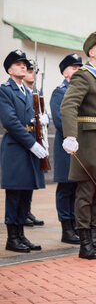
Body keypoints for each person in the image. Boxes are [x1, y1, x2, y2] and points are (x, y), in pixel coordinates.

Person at [60, 30, 96, 259]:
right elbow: (68, 106)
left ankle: (94, 239)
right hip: (88, 141)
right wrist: (70, 136)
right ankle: (85, 243)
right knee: (86, 193)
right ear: (91, 51)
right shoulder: (84, 75)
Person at [0, 49, 46, 253]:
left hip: (27, 148)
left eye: (24, 64)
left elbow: (31, 118)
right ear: (9, 69)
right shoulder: (5, 90)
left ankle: (21, 235)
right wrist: (31, 143)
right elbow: (11, 121)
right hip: (16, 148)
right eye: (18, 64)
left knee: (26, 194)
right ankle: (12, 238)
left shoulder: (27, 92)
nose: (23, 67)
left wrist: (41, 121)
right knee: (15, 194)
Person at [50, 53, 83, 244]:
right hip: (66, 147)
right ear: (65, 72)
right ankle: (66, 228)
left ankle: (76, 225)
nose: (78, 70)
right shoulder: (59, 92)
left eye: (80, 67)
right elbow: (61, 120)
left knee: (78, 188)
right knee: (66, 187)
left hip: (82, 146)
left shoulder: (82, 91)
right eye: (74, 68)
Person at [22, 59, 46, 227]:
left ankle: (27, 210)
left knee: (30, 179)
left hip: (37, 139)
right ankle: (21, 213)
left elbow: (44, 113)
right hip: (25, 139)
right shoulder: (19, 91)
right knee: (21, 180)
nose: (33, 74)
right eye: (30, 71)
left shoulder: (37, 91)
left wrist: (46, 120)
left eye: (34, 72)